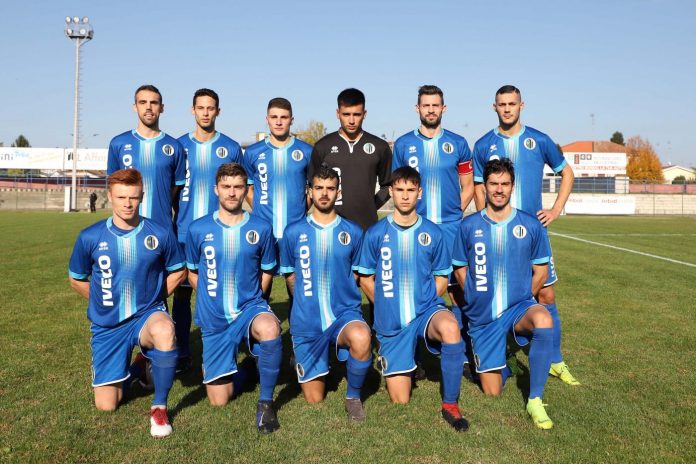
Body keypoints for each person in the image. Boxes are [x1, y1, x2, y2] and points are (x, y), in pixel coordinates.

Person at [472, 85, 579, 386]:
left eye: (512, 103)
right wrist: (484, 222)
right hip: (496, 235)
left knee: (546, 294)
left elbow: (567, 173)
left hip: (532, 235)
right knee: (496, 294)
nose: (507, 109)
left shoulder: (539, 140)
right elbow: (479, 186)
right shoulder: (483, 144)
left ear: (522, 105)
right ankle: (500, 353)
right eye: (502, 104)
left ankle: (555, 360)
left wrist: (556, 209)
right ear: (494, 107)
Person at [68, 168, 186, 438]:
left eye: (133, 197)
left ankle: (159, 408)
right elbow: (76, 278)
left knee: (165, 331)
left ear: (142, 196)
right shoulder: (90, 236)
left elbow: (178, 271)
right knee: (107, 405)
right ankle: (139, 366)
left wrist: (155, 299)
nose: (128, 203)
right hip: (109, 325)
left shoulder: (160, 233)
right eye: (121, 197)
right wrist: (104, 302)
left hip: (147, 315)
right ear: (110, 197)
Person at [357, 167, 469, 432]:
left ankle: (450, 404)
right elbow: (365, 278)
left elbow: (441, 277)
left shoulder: (433, 232)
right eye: (400, 190)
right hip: (392, 319)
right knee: (400, 399)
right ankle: (401, 360)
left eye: (410, 190)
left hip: (426, 311)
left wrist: (425, 302)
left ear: (420, 193)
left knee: (450, 326)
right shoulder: (375, 233)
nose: (405, 196)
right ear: (391, 192)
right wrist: (385, 306)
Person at [453, 158, 555, 429]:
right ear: (484, 187)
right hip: (484, 317)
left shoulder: (530, 225)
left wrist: (523, 297)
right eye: (494, 184)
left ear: (512, 186)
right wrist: (473, 296)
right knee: (492, 391)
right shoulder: (468, 226)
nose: (499, 189)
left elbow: (541, 272)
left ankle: (535, 399)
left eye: (505, 184)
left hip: (519, 308)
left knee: (543, 319)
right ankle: (502, 364)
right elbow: (460, 269)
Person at [185, 163, 282, 434]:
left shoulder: (261, 228)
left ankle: (266, 403)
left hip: (249, 308)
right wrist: (210, 297)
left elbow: (267, 270)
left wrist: (255, 299)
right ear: (216, 189)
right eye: (226, 186)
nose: (231, 193)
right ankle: (249, 369)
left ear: (245, 190)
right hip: (214, 317)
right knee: (219, 400)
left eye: (238, 187)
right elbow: (193, 271)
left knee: (270, 327)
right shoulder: (198, 229)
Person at [392, 84, 475, 372]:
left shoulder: (458, 143)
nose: (430, 110)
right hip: (416, 231)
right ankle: (412, 356)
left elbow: (468, 186)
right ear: (417, 109)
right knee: (413, 288)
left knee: (457, 291)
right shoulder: (403, 144)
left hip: (451, 229)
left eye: (435, 105)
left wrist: (453, 214)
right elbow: (398, 185)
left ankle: (462, 351)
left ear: (443, 108)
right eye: (425, 105)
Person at [279, 166, 372, 421]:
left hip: (343, 314)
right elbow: (290, 275)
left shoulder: (353, 231)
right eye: (318, 188)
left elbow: (356, 274)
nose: (324, 193)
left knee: (362, 336)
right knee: (314, 399)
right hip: (307, 320)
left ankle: (353, 397)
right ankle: (310, 356)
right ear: (309, 191)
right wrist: (306, 302)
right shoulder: (293, 232)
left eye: (330, 188)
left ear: (338, 193)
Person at [172, 88, 243, 372]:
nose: (205, 113)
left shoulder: (231, 147)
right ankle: (181, 351)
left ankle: (227, 348)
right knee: (182, 292)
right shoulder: (178, 146)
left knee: (222, 290)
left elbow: (237, 189)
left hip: (222, 234)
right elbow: (173, 189)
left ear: (218, 111)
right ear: (192, 110)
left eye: (210, 108)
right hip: (184, 232)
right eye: (200, 108)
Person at [242, 97, 312, 304]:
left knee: (298, 294)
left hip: (296, 231)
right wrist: (260, 211)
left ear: (292, 120)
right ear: (267, 120)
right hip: (264, 232)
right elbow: (248, 187)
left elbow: (314, 190)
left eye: (284, 117)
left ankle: (299, 326)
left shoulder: (306, 151)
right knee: (259, 292)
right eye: (274, 117)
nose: (279, 121)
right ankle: (258, 324)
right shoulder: (253, 152)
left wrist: (301, 212)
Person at [307, 88, 392, 231]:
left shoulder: (380, 147)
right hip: (330, 228)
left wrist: (371, 206)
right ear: (337, 113)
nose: (351, 120)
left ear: (364, 114)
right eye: (346, 114)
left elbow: (388, 186)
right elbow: (312, 186)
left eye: (356, 114)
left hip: (366, 227)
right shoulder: (322, 146)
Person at [107, 84, 186, 228]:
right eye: (143, 102)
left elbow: (175, 189)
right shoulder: (118, 143)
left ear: (162, 108)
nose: (148, 107)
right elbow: (113, 186)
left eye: (154, 103)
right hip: (127, 228)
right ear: (135, 107)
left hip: (162, 227)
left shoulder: (175, 146)